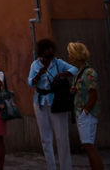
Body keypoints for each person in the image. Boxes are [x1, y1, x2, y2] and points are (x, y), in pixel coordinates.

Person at [27, 38, 78, 170]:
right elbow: (30, 82)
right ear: (41, 53)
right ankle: (51, 167)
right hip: (40, 103)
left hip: (57, 102)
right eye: (46, 53)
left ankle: (66, 167)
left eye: (50, 52)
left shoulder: (58, 63)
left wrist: (62, 74)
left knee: (62, 137)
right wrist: (38, 75)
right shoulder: (35, 65)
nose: (49, 56)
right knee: (45, 139)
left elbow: (75, 69)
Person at [67, 42, 104, 170]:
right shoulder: (80, 72)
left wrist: (85, 112)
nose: (69, 56)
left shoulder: (88, 72)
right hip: (82, 113)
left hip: (87, 114)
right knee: (88, 146)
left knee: (89, 146)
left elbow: (93, 94)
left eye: (70, 53)